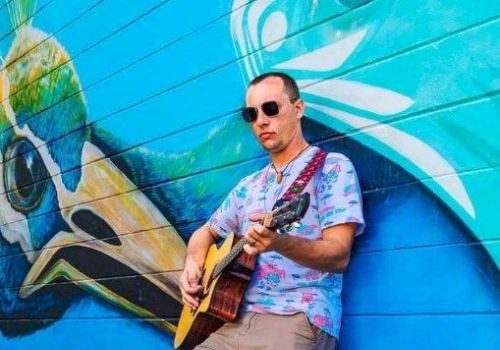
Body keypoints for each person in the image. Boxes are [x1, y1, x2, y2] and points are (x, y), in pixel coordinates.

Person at [179, 72, 365, 349]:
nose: (261, 121)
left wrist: (279, 242)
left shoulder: (331, 168)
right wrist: (193, 266)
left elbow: (339, 255)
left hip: (297, 318)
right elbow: (205, 232)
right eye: (251, 114)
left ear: (298, 108)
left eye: (271, 108)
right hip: (232, 321)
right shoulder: (248, 186)